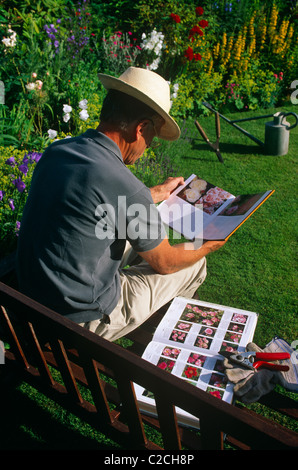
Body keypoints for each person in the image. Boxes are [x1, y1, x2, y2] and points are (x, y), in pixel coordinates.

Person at [16, 67, 226, 342]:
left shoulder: (58, 152)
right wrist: (211, 242)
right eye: (152, 137)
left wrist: (156, 192)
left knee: (140, 242)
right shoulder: (125, 186)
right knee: (192, 264)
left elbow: (93, 200)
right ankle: (166, 343)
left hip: (33, 299)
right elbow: (165, 262)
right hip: (81, 319)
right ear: (140, 128)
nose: (149, 146)